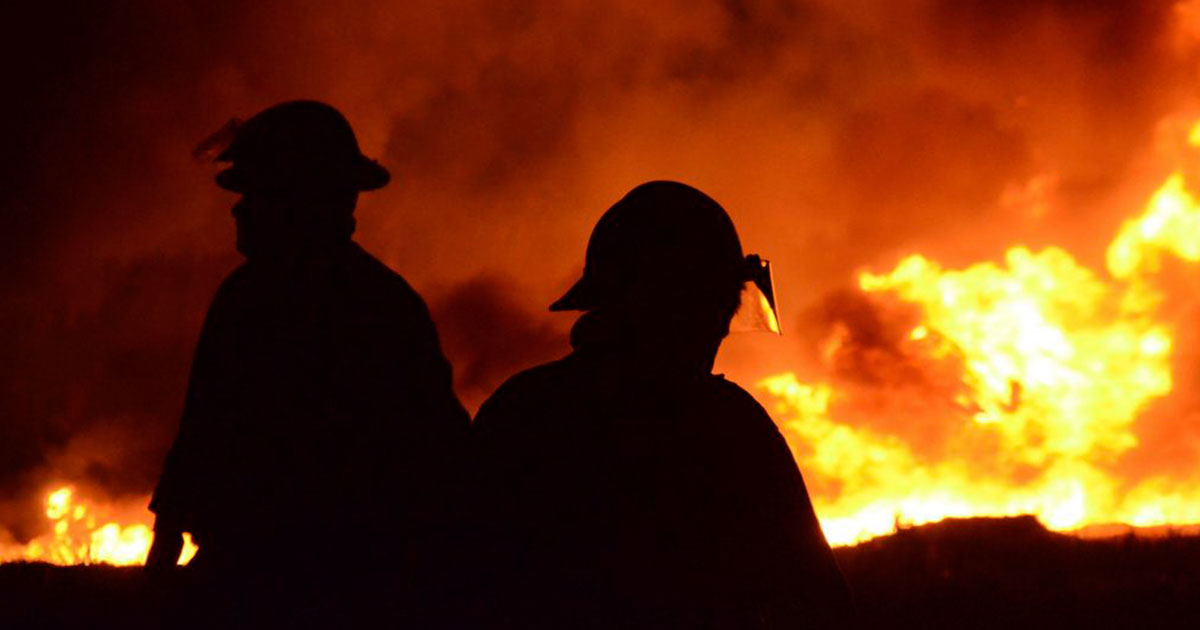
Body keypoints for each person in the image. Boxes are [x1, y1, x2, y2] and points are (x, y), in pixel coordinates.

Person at [144, 100, 469, 626]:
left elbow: (428, 454)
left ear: (300, 198)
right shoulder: (259, 297)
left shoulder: (366, 309)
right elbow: (205, 421)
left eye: (255, 192)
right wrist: (170, 522)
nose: (238, 208)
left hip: (327, 581)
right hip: (264, 573)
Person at [472, 181, 850, 629]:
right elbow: (816, 599)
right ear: (674, 305)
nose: (718, 331)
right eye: (711, 308)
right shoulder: (729, 428)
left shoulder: (521, 411)